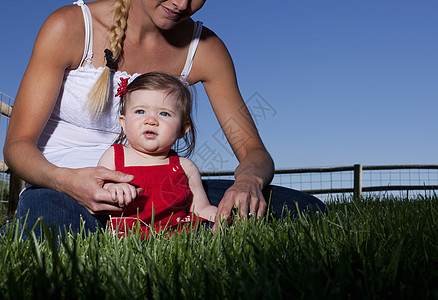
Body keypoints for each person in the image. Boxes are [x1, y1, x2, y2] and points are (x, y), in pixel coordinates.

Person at [3, 0, 325, 237]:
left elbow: (253, 151)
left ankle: (162, 227)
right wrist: (68, 182)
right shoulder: (70, 27)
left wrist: (248, 182)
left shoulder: (206, 49)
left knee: (304, 209)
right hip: (66, 189)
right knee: (44, 225)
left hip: (164, 188)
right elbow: (17, 146)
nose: (182, 3)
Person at [98, 71, 216, 237]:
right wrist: (112, 188)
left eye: (164, 113)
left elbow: (201, 208)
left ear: (182, 129)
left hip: (178, 234)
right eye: (140, 112)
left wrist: (220, 218)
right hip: (128, 235)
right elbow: (98, 190)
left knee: (208, 231)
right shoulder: (114, 156)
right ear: (123, 123)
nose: (151, 120)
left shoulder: (184, 167)